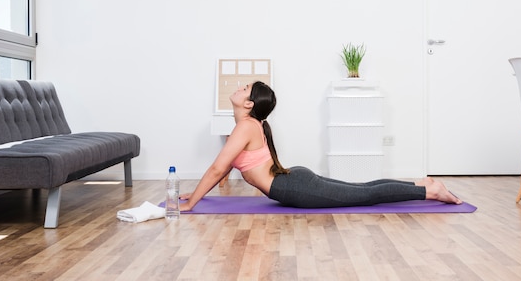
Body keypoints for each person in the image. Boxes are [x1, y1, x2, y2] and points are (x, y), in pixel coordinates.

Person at [179, 81, 461, 211]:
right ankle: (418, 185)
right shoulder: (248, 126)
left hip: (295, 187)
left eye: (244, 90)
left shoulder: (245, 126)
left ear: (249, 104)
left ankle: (428, 190)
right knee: (363, 189)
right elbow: (224, 168)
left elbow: (217, 167)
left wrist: (192, 204)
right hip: (293, 182)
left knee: (364, 195)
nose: (239, 88)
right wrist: (198, 194)